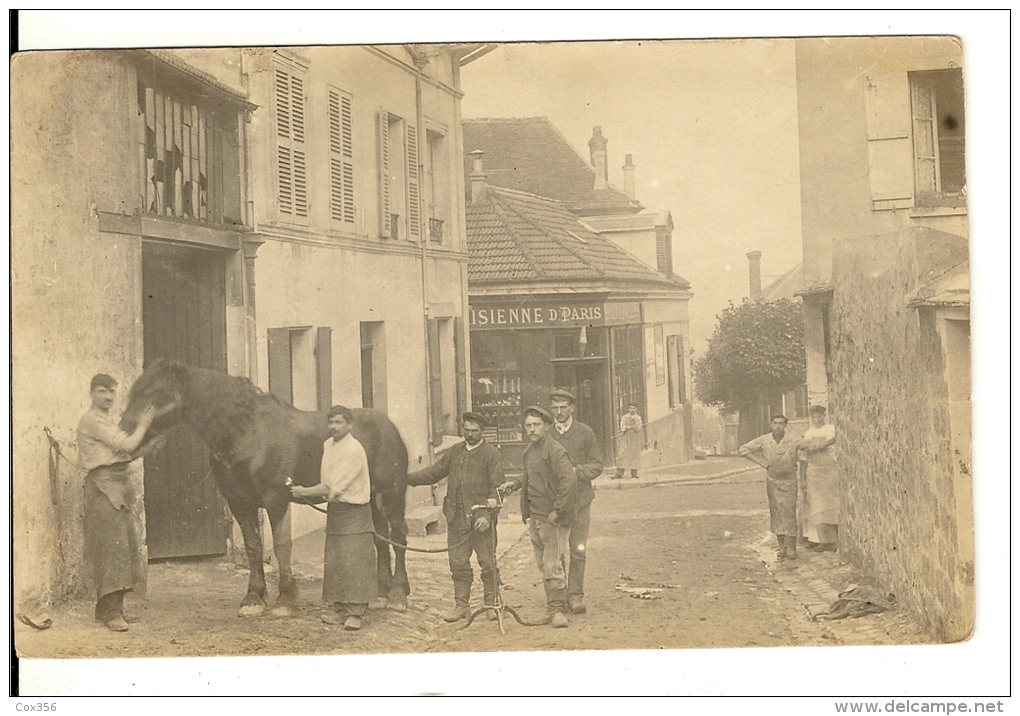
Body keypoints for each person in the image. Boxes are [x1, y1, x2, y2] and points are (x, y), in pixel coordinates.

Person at [77, 373, 157, 632]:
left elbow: (125, 454)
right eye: (102, 391)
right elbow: (127, 443)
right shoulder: (92, 420)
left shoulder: (105, 420)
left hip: (117, 486)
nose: (108, 396)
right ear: (91, 393)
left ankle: (110, 610)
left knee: (124, 548)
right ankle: (111, 614)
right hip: (103, 488)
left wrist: (149, 446)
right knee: (112, 549)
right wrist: (144, 425)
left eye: (112, 391)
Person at [406, 412, 505, 622]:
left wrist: (487, 516)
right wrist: (406, 479)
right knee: (457, 563)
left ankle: (491, 602)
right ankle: (462, 606)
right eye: (466, 430)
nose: (469, 435)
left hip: (480, 520)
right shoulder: (454, 452)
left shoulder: (491, 454)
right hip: (455, 518)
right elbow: (433, 473)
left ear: (482, 431)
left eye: (474, 431)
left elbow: (498, 490)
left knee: (487, 562)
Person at [290, 405, 376, 631]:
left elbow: (333, 485)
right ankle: (339, 609)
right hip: (336, 511)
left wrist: (303, 491)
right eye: (331, 422)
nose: (334, 427)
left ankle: (356, 612)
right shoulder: (328, 445)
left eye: (339, 422)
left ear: (350, 425)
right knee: (336, 560)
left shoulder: (354, 450)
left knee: (354, 561)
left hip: (355, 511)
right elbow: (326, 479)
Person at [499, 406, 576, 628]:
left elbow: (568, 482)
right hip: (535, 517)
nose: (531, 429)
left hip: (552, 519)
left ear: (547, 426)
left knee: (552, 564)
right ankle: (554, 605)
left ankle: (558, 611)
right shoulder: (529, 451)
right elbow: (529, 475)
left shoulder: (555, 451)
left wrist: (559, 511)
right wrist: (514, 484)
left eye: (536, 425)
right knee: (545, 565)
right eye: (528, 425)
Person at [547, 389, 604, 615]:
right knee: (556, 553)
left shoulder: (584, 433)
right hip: (556, 504)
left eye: (563, 407)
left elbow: (597, 465)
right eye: (555, 408)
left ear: (572, 408)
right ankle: (558, 599)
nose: (559, 412)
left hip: (580, 503)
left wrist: (574, 471)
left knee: (577, 550)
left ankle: (576, 596)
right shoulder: (546, 433)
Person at [739, 415, 801, 560]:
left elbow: (811, 445)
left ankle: (791, 547)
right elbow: (744, 450)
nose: (778, 426)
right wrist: (762, 462)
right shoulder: (764, 440)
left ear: (785, 425)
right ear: (771, 425)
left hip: (790, 480)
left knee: (789, 511)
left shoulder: (793, 440)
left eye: (781, 423)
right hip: (773, 481)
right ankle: (782, 547)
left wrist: (830, 440)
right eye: (775, 423)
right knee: (777, 511)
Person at [798, 405, 839, 552]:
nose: (817, 419)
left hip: (830, 471)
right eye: (814, 417)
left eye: (819, 416)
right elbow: (803, 458)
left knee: (833, 504)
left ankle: (837, 540)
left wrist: (825, 443)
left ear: (824, 415)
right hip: (813, 473)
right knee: (816, 506)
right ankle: (823, 541)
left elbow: (836, 442)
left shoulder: (831, 429)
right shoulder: (808, 433)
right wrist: (802, 479)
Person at [614, 402, 643, 479]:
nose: (632, 410)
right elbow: (622, 428)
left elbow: (638, 428)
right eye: (630, 408)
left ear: (636, 409)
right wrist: (630, 426)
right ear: (628, 409)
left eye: (633, 408)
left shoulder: (638, 418)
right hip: (626, 437)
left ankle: (634, 472)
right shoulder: (625, 417)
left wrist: (633, 424)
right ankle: (619, 472)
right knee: (622, 454)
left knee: (634, 453)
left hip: (634, 438)